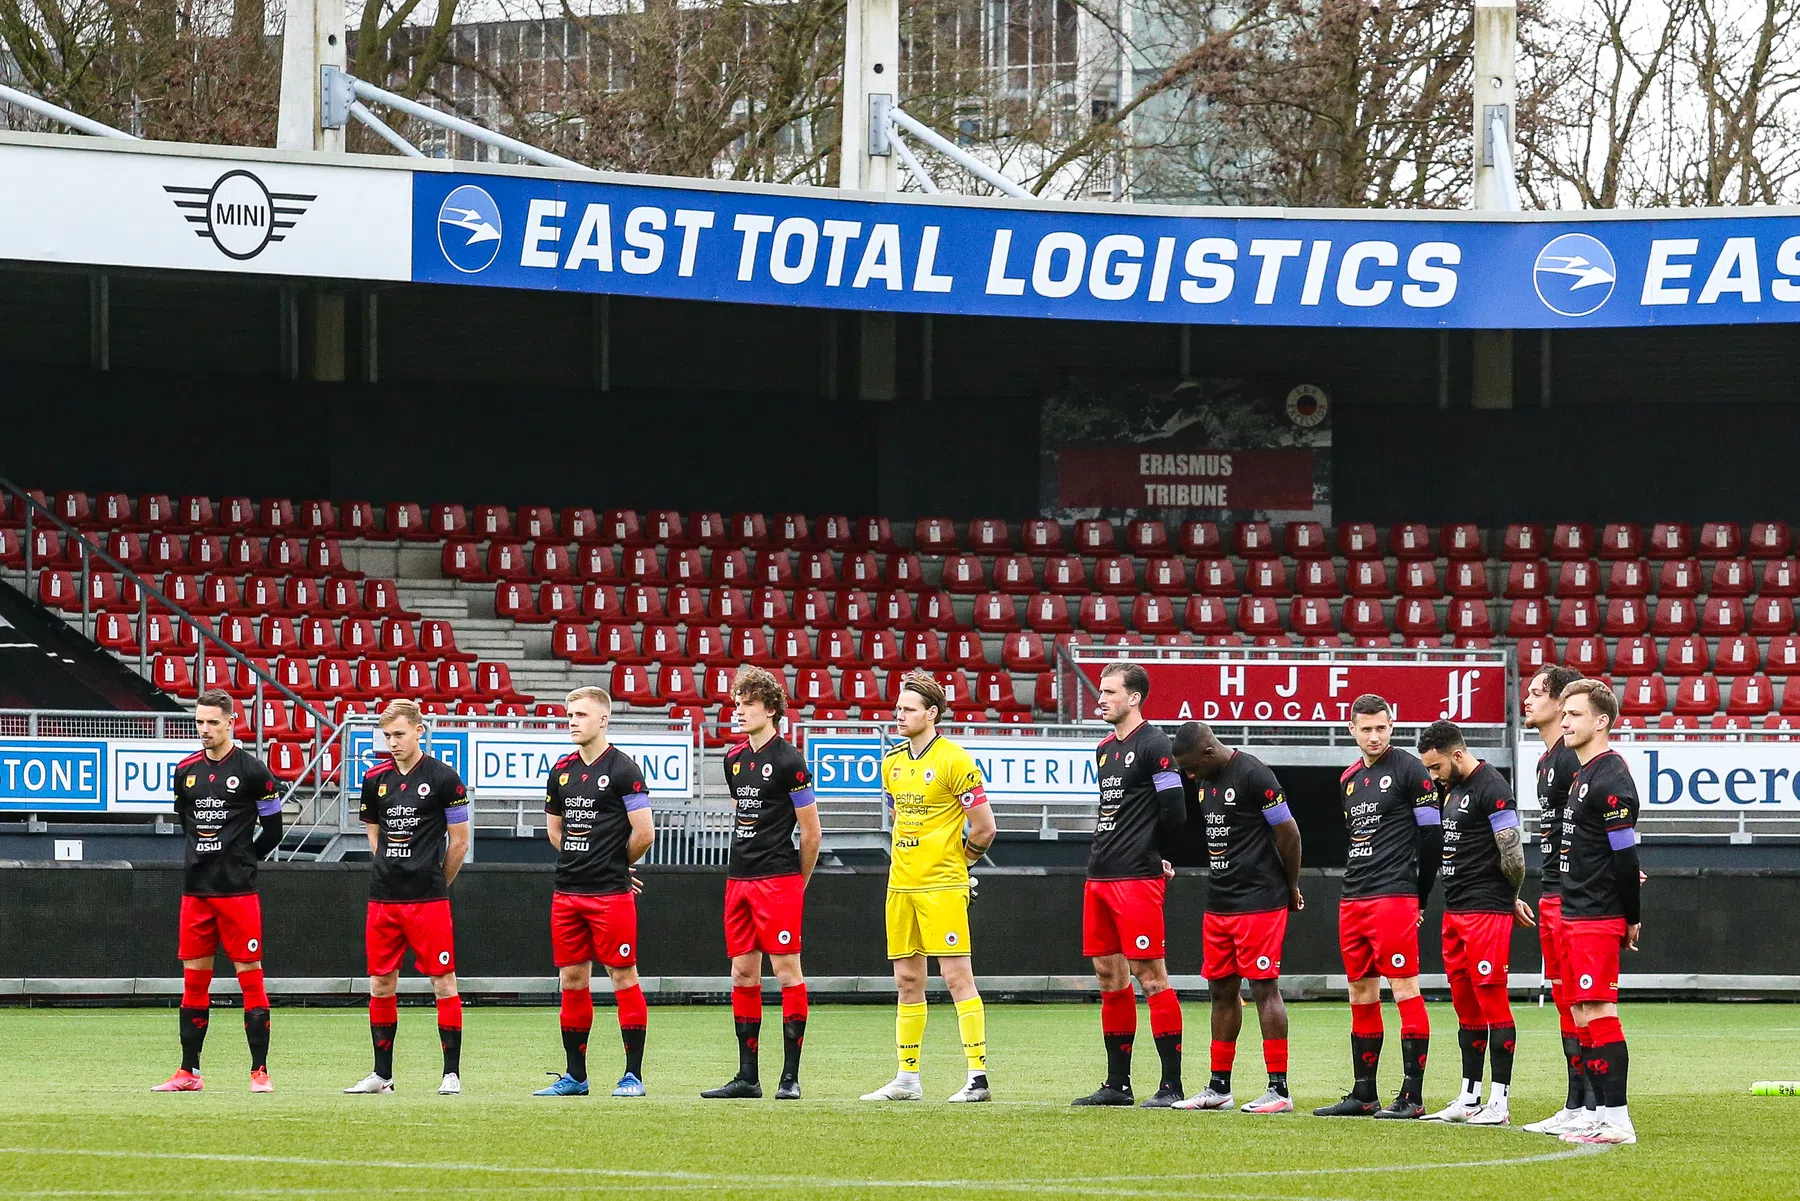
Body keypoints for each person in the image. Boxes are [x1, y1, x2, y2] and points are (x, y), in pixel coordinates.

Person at [861, 671, 996, 1103]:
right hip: (901, 886)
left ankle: (978, 1077)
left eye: (908, 709)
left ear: (931, 714)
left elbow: (985, 828)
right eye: (898, 708)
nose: (899, 715)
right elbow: (899, 817)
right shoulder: (893, 763)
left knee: (957, 978)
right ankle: (907, 1078)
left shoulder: (956, 761)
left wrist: (961, 862)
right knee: (906, 979)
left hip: (941, 885)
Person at [1315, 694, 1441, 1119]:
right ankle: (1363, 1092)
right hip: (1354, 897)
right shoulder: (1348, 778)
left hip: (1393, 895)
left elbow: (1432, 838)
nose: (1374, 736)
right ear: (1351, 729)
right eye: (1365, 729)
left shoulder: (1409, 769)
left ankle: (1413, 1095)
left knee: (1404, 986)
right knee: (1360, 991)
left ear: (1393, 726)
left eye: (1381, 728)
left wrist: (1419, 895)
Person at [152, 689, 282, 1093]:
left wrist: (244, 860)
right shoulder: (185, 771)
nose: (204, 729)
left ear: (231, 721)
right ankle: (189, 1072)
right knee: (194, 982)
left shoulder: (254, 771)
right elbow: (187, 823)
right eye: (200, 722)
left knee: (250, 978)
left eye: (212, 722)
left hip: (238, 894)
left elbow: (273, 831)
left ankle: (259, 1071)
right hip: (196, 892)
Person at [1168, 722, 1302, 1115]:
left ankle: (1279, 1089)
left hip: (1260, 900)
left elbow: (1289, 833)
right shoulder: (1204, 779)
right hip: (1219, 902)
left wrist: (1290, 886)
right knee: (1221, 991)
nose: (1189, 776)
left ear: (1209, 752)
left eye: (1191, 768)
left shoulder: (1254, 774)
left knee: (1264, 988)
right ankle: (1218, 1087)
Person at [702, 666, 821, 1101]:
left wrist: (797, 882)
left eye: (748, 704)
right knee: (741, 973)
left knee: (787, 972)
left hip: (778, 881)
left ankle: (790, 1078)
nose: (739, 711)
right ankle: (747, 1077)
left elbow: (811, 833)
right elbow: (744, 816)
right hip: (739, 879)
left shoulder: (790, 760)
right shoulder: (733, 759)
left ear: (770, 709)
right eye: (737, 703)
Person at [1072, 662, 1188, 1108]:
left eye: (1109, 692)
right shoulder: (1104, 749)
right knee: (1108, 975)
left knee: (1150, 975)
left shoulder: (1156, 744)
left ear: (1134, 697)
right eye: (1101, 691)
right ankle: (1117, 1085)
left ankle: (1171, 1086)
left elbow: (1174, 810)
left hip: (1136, 878)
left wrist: (1154, 854)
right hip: (1100, 873)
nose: (1100, 699)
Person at [533, 686, 655, 1099]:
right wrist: (584, 857)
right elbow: (555, 831)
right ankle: (575, 1076)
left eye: (581, 715)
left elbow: (645, 833)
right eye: (569, 714)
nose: (572, 721)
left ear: (602, 720)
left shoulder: (624, 769)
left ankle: (633, 1076)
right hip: (567, 893)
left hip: (610, 894)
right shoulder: (561, 770)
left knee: (623, 976)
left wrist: (614, 863)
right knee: (571, 979)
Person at [344, 700, 471, 1097]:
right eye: (387, 736)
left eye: (399, 734)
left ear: (419, 730)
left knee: (443, 983)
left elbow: (460, 842)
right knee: (381, 985)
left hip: (428, 901)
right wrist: (389, 866)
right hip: (383, 900)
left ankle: (451, 1073)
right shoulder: (374, 778)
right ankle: (382, 1076)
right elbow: (373, 833)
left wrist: (436, 882)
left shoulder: (444, 778)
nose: (392, 742)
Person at [1416, 720, 1526, 1126]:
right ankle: (1469, 1096)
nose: (1433, 776)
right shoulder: (1454, 789)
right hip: (1456, 909)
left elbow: (1513, 854)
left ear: (1457, 755)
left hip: (1485, 911)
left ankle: (1499, 1102)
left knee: (1492, 1000)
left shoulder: (1491, 787)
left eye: (1436, 767)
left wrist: (1509, 898)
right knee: (1465, 1005)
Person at [1555, 679, 1643, 1146]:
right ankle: (1598, 1114)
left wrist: (1632, 915)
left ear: (1602, 721)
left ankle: (1618, 1120)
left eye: (1574, 714)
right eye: (1564, 713)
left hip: (1596, 915)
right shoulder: (1583, 773)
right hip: (1575, 911)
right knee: (1584, 1012)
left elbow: (1626, 855)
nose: (1565, 721)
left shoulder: (1610, 777)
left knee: (1600, 1009)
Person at [1517, 665, 1597, 1135]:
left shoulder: (1571, 760)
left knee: (1582, 998)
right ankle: (1576, 1101)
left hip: (1573, 894)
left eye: (1536, 693)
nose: (1527, 700)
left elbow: (1590, 823)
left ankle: (1592, 1104)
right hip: (1551, 890)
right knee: (1566, 998)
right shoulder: (1547, 761)